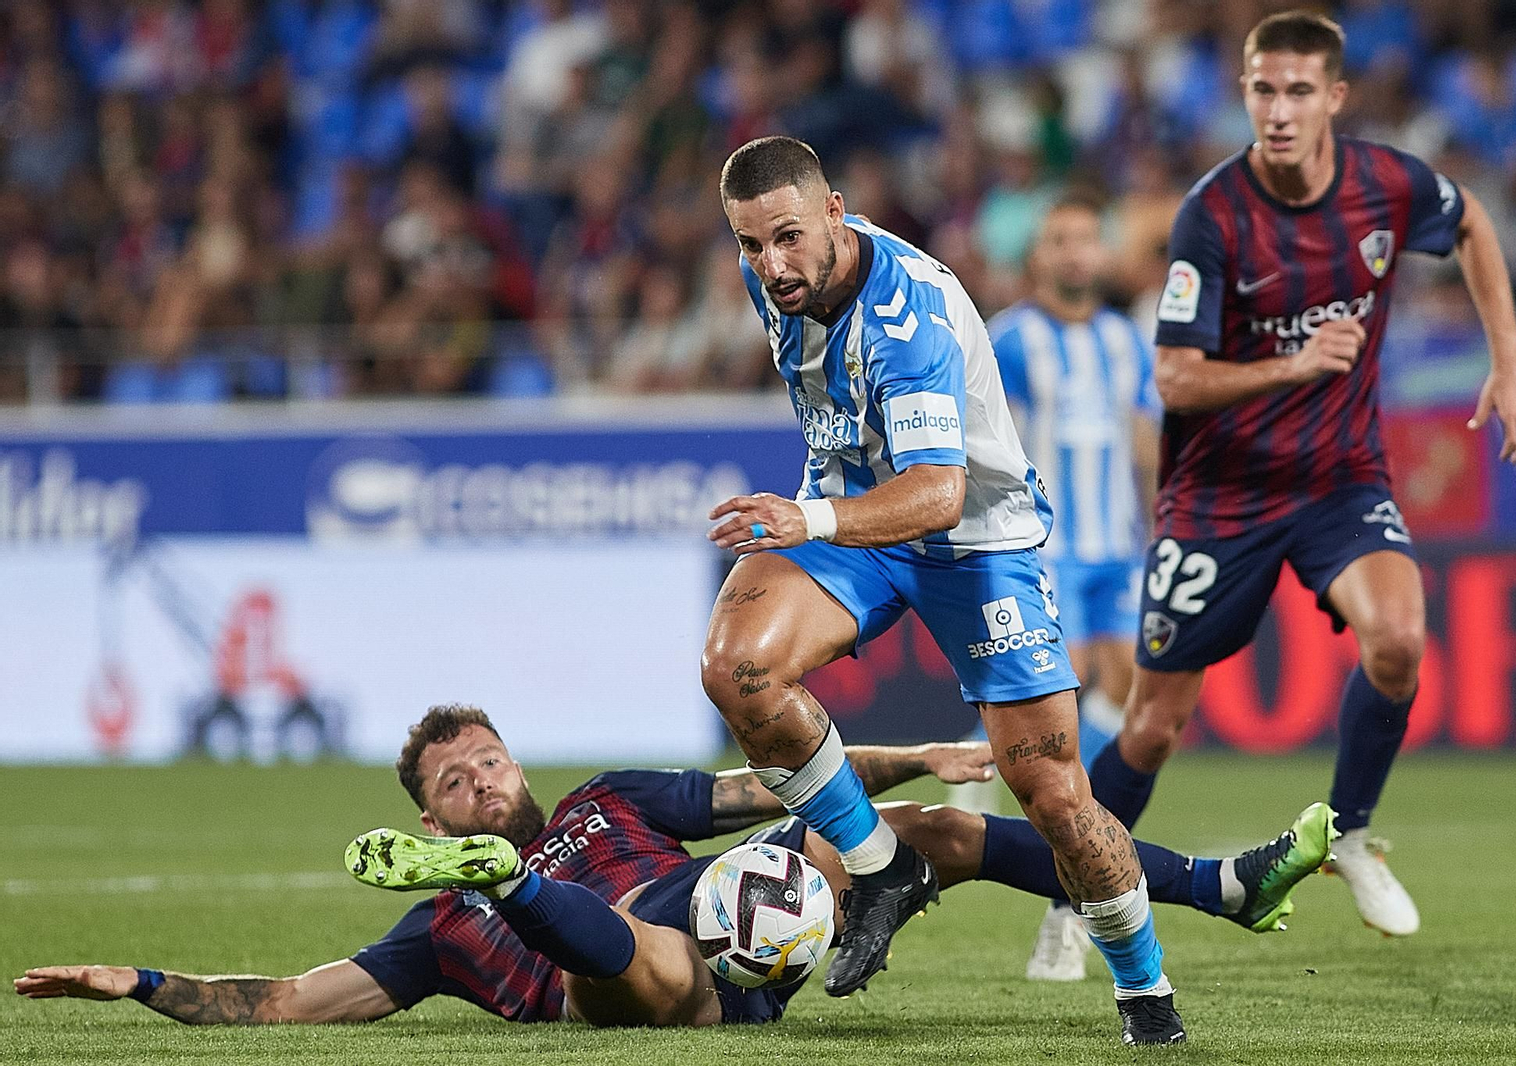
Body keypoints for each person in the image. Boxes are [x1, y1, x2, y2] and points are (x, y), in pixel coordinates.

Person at [701, 135, 1182, 1045]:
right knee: (737, 667)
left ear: (837, 212)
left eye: (789, 238)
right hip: (854, 517)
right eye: (752, 245)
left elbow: (939, 493)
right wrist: (823, 512)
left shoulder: (905, 318)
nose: (772, 264)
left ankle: (1144, 986)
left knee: (1051, 790)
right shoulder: (789, 284)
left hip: (973, 542)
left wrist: (810, 521)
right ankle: (882, 867)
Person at [15, 704, 1335, 1030]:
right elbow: (290, 1000)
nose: (476, 775)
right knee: (635, 957)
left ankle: (1219, 884)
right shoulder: (437, 933)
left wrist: (922, 755)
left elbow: (778, 783)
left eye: (482, 763)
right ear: (429, 814)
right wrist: (137, 980)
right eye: (450, 782)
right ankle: (521, 893)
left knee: (912, 837)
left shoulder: (608, 797)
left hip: (753, 903)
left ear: (513, 763)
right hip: (666, 982)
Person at [1087, 11, 1516, 939]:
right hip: (1219, 495)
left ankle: (1351, 831)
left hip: (1340, 476)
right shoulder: (1212, 215)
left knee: (1400, 642)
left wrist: (1512, 361)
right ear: (1246, 93)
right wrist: (1293, 365)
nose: (1280, 109)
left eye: (1299, 91)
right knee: (1151, 726)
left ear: (1335, 97)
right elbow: (1173, 374)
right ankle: (1077, 882)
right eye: (1263, 89)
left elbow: (1475, 225)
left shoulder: (1385, 185)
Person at [987, 191, 1163, 982]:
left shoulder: (1128, 341)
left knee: (1125, 698)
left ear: (1103, 253)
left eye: (1087, 239)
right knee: (1067, 708)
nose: (1075, 253)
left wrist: (1163, 523)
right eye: (1059, 239)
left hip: (1118, 551)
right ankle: (1075, 893)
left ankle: (1074, 878)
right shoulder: (1012, 341)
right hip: (1045, 548)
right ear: (1039, 256)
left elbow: (1142, 436)